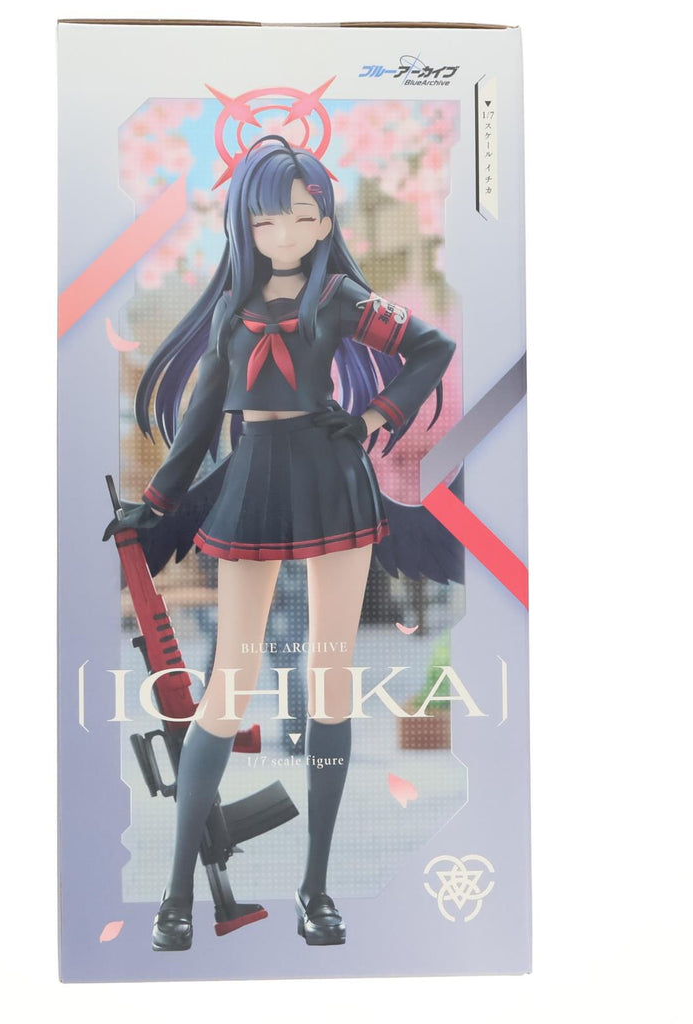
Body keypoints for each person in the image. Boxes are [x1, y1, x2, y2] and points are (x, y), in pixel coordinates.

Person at [111, 136, 455, 950]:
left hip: (332, 478)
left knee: (329, 672)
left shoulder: (338, 296)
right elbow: (200, 422)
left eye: (304, 216)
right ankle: (178, 892)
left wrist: (373, 419)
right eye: (268, 220)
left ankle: (315, 888)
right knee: (227, 683)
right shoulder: (231, 309)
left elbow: (430, 348)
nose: (287, 233)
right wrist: (153, 508)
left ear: (325, 220)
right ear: (246, 224)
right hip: (255, 480)